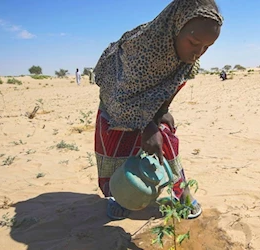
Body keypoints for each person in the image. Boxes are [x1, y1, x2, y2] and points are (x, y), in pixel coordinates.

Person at [93, 0, 223, 220]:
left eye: (206, 47)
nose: (198, 52)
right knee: (117, 145)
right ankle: (118, 195)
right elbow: (120, 96)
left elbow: (174, 84)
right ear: (176, 27)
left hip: (150, 102)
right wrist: (146, 126)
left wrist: (161, 110)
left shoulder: (188, 58)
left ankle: (182, 193)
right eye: (193, 42)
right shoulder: (140, 50)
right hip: (117, 100)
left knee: (165, 139)